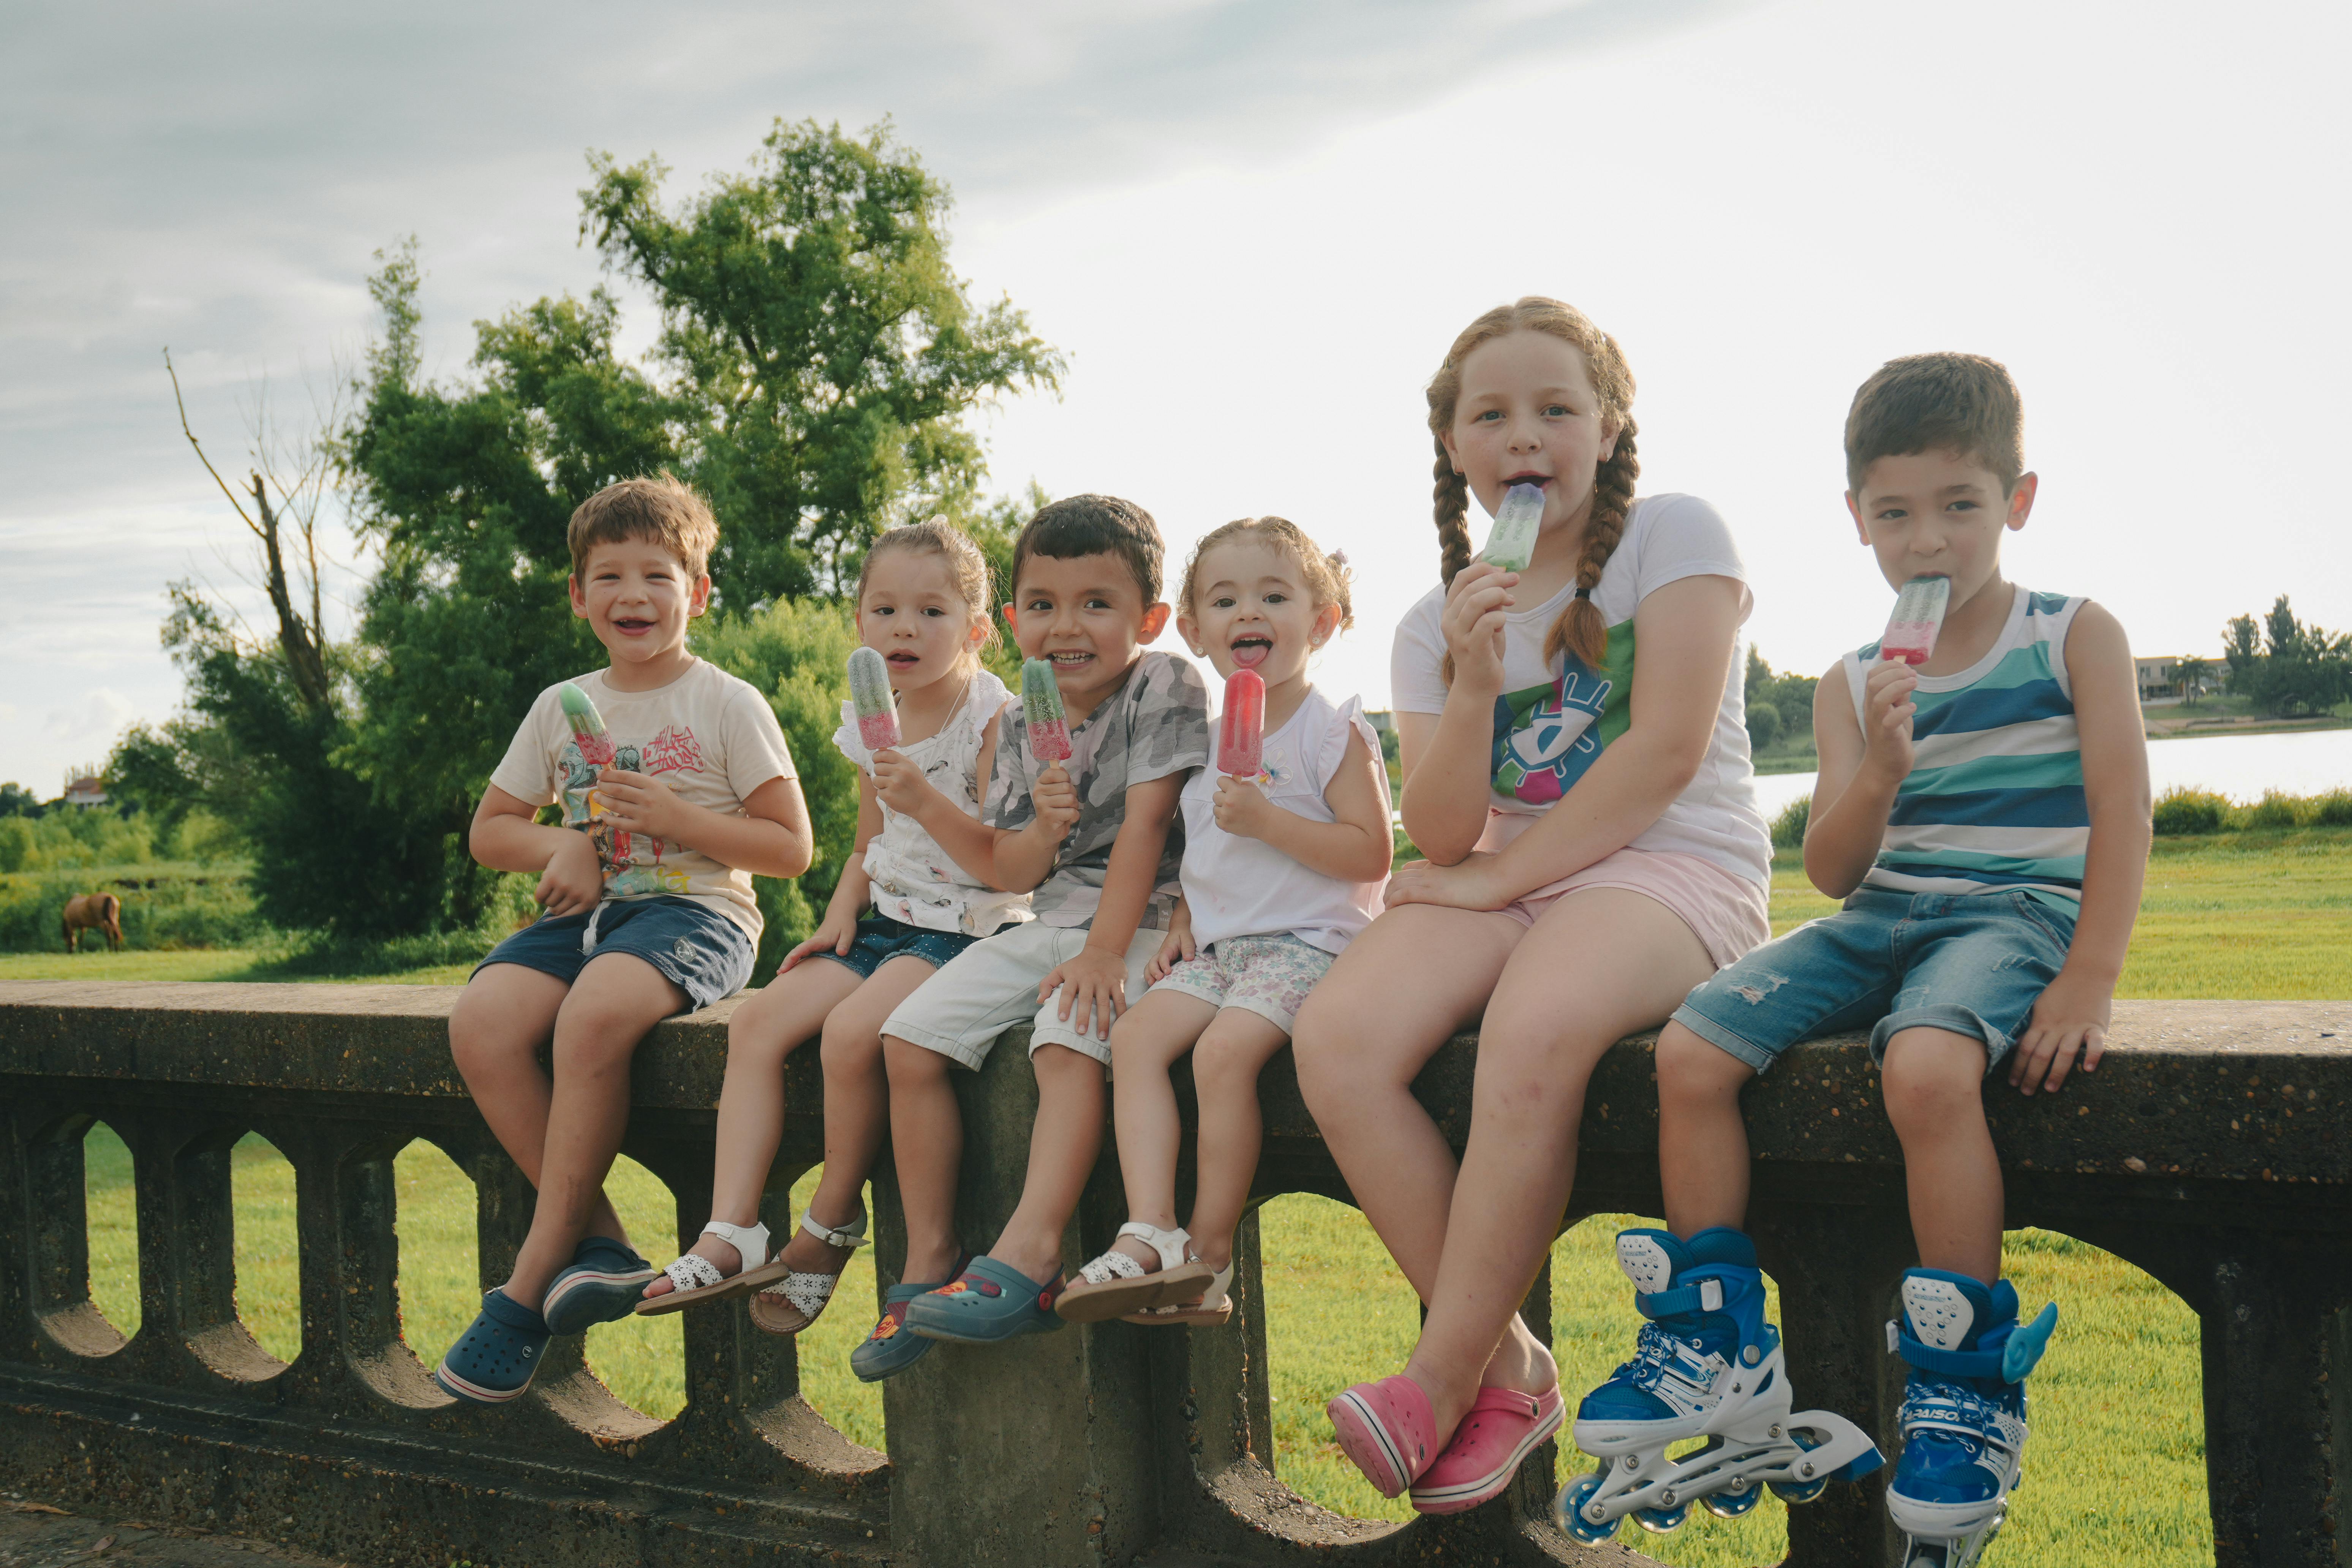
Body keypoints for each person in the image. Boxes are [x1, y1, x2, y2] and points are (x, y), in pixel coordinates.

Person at [1576, 353, 2147, 1563]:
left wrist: (2090, 974)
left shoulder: (2073, 637)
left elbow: (2124, 811)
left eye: (1960, 507)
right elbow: (1833, 870)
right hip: (1881, 915)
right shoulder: (1849, 680)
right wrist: (1882, 770)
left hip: (2016, 917)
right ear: (1856, 521)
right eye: (1895, 514)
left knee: (1927, 1074)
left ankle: (1966, 1382)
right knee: (1690, 1051)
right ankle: (1718, 1334)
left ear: (2018, 502)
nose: (1926, 542)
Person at [1291, 297, 1775, 1514]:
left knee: (1530, 1034)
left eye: (1558, 409)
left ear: (1608, 430)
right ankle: (1510, 1366)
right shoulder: (1426, 622)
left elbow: (1663, 750)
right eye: (1493, 414)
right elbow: (1446, 831)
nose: (1527, 435)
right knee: (1337, 1039)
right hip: (1512, 879)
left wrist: (1505, 878)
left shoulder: (1677, 536)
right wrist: (1468, 681)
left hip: (1674, 868)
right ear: (1454, 448)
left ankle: (1436, 1378)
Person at [433, 474, 812, 1406]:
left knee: (594, 1017)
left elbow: (790, 849)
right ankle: (599, 1242)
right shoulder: (560, 703)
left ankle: (526, 1289)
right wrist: (564, 841)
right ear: (579, 596)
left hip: (698, 913)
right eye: (609, 577)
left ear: (699, 593)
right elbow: (491, 831)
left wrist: (680, 814)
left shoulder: (726, 704)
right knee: (482, 1023)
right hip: (586, 917)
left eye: (658, 575)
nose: (633, 596)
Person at [634, 519, 1025, 1351]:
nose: (904, 629)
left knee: (854, 1036)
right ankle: (732, 1228)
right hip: (884, 920)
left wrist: (926, 798)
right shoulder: (869, 713)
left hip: (964, 930)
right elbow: (866, 843)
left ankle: (831, 1221)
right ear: (859, 625)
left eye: (931, 611)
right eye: (884, 610)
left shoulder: (995, 718)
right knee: (758, 1022)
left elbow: (1002, 866)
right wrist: (841, 909)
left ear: (978, 630)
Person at [853, 494, 1209, 1378]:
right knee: (906, 1040)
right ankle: (928, 1258)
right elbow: (1008, 871)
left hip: (1150, 919)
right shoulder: (1018, 724)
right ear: (1012, 623)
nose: (1067, 627)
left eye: (1097, 604)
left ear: (1150, 620)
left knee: (1065, 1037)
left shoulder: (1162, 685)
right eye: (1044, 606)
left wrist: (1100, 953)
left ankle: (1029, 1254)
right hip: (1052, 919)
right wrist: (1024, 829)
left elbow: (1146, 827)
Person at [1057, 517, 1391, 1328]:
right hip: (1220, 948)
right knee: (1133, 1038)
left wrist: (1273, 821)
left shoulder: (1332, 730)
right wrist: (1179, 914)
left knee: (1223, 1055)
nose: (1251, 611)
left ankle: (1208, 1256)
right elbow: (1204, 856)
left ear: (1321, 622)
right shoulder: (1200, 744)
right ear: (1195, 630)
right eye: (1227, 598)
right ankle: (1151, 1231)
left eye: (1274, 596)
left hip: (1313, 943)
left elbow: (1372, 855)